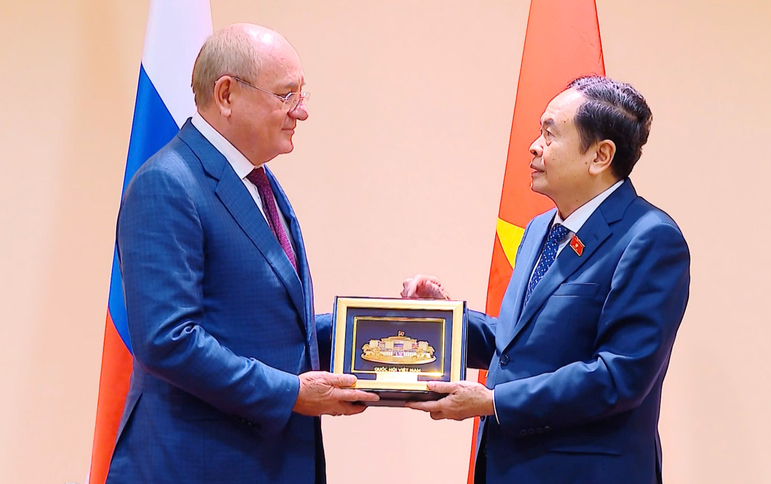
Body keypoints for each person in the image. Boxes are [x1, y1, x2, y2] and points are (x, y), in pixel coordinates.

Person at [108, 24, 378, 484]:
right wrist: (291, 393)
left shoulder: (256, 180)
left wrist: (378, 329)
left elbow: (263, 324)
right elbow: (168, 340)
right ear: (228, 94)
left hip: (265, 461)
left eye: (302, 93)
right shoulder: (168, 183)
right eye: (287, 95)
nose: (303, 111)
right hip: (196, 464)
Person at [403, 76, 690, 484]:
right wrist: (446, 320)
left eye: (550, 135)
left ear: (600, 156)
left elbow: (618, 376)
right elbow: (517, 345)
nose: (534, 146)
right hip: (508, 467)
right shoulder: (540, 228)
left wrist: (494, 401)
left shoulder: (650, 239)